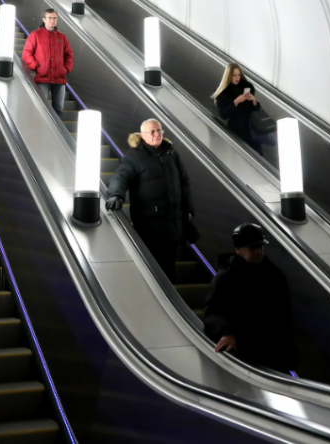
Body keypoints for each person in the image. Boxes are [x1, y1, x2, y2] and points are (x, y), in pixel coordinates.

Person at [105, 119, 194, 279]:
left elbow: (184, 182)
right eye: (151, 132)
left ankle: (168, 301)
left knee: (169, 270)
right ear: (142, 135)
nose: (156, 134)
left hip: (173, 225)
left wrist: (188, 210)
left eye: (159, 130)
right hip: (149, 227)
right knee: (153, 270)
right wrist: (116, 194)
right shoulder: (135, 156)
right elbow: (121, 176)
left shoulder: (171, 154)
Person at [203, 223, 297, 372]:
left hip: (274, 355)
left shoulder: (275, 276)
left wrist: (288, 355)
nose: (259, 251)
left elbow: (284, 318)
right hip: (243, 353)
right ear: (238, 249)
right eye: (253, 248)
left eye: (261, 247)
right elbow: (211, 314)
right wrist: (227, 332)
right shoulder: (225, 278)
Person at [22, 9, 74, 115]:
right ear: (44, 19)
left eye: (54, 18)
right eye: (50, 18)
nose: (52, 21)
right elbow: (26, 53)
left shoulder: (62, 37)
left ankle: (58, 131)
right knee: (42, 109)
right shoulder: (35, 35)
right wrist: (36, 66)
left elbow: (69, 55)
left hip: (59, 80)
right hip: (42, 79)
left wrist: (66, 69)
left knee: (58, 110)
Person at [211, 62, 263, 152]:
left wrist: (254, 101)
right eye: (234, 75)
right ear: (229, 76)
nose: (237, 78)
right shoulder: (223, 94)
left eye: (238, 75)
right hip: (237, 131)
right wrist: (236, 102)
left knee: (256, 156)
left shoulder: (244, 89)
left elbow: (255, 110)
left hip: (250, 130)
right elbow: (223, 114)